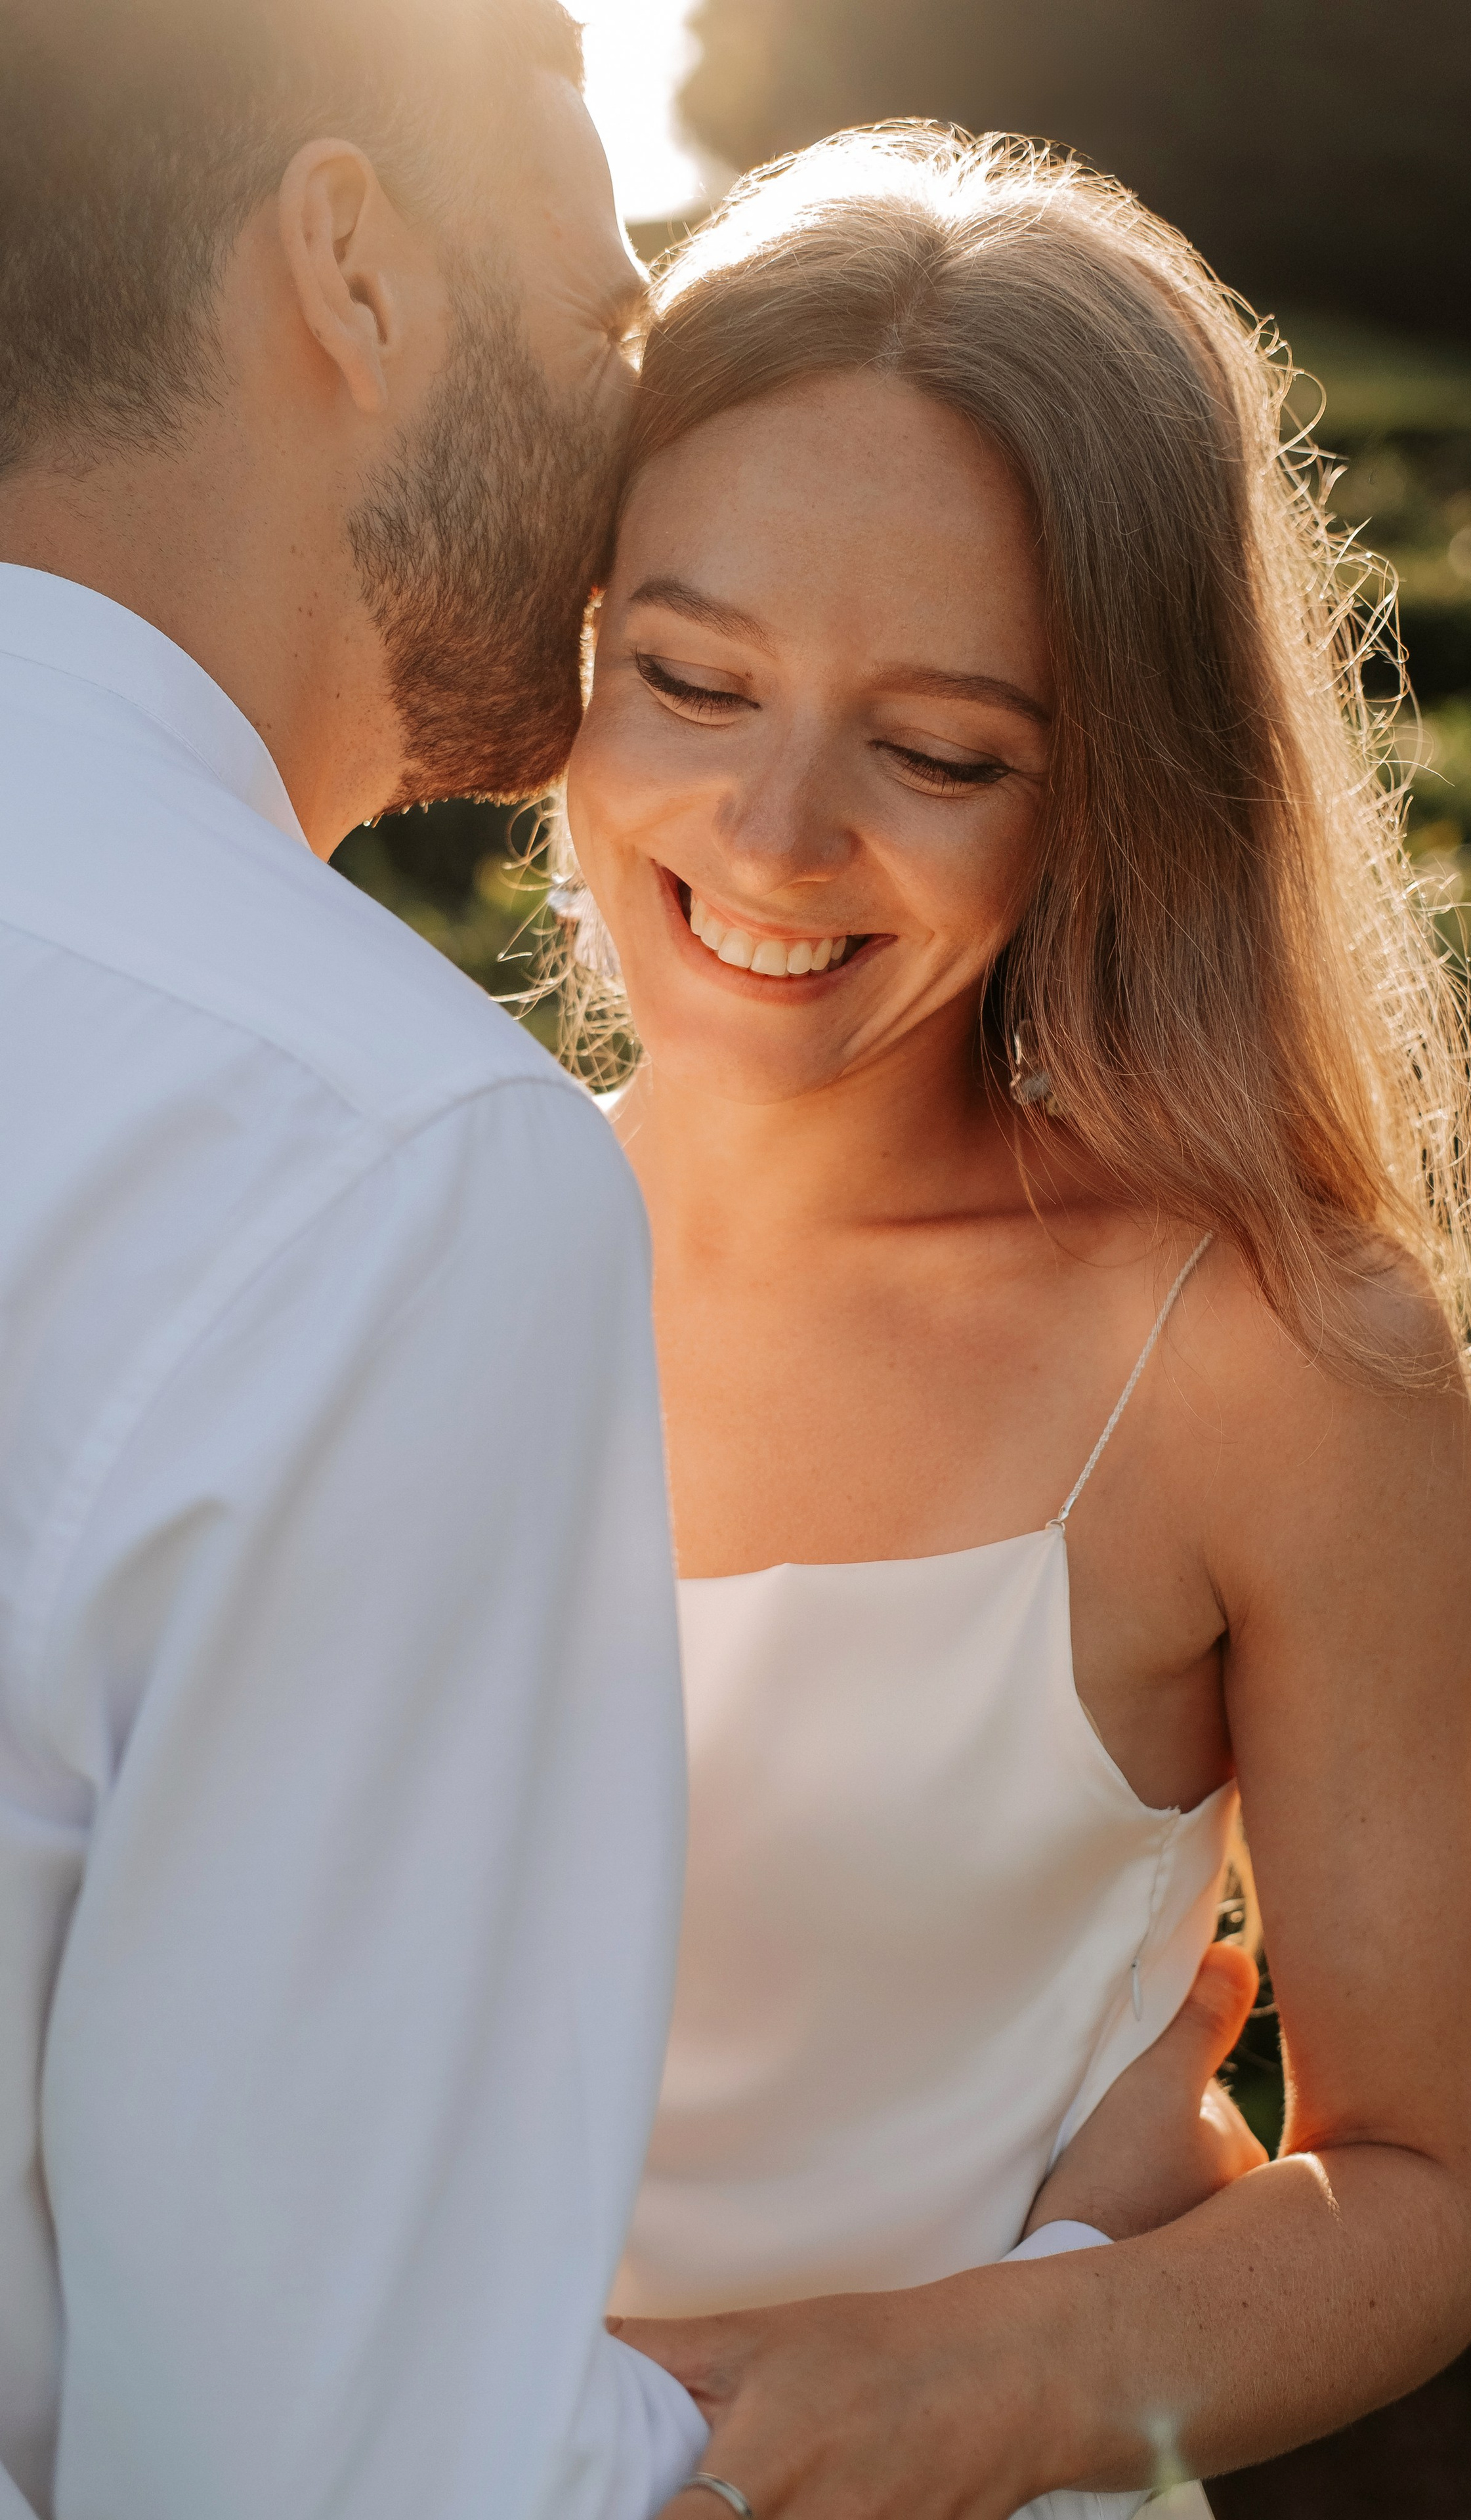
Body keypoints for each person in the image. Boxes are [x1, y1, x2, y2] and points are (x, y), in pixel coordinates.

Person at [0, 12, 1256, 2518]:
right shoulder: (395, 1158)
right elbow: (334, 2468)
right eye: (593, 325)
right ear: (347, 265)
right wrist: (1033, 2339)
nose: (616, 455)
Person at [549, 128, 1471, 2515]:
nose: (775, 828)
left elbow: (1418, 2197)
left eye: (940, 749)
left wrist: (1004, 2369)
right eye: (692, 677)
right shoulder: (415, 1229)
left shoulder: (1262, 1356)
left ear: (1113, 790)